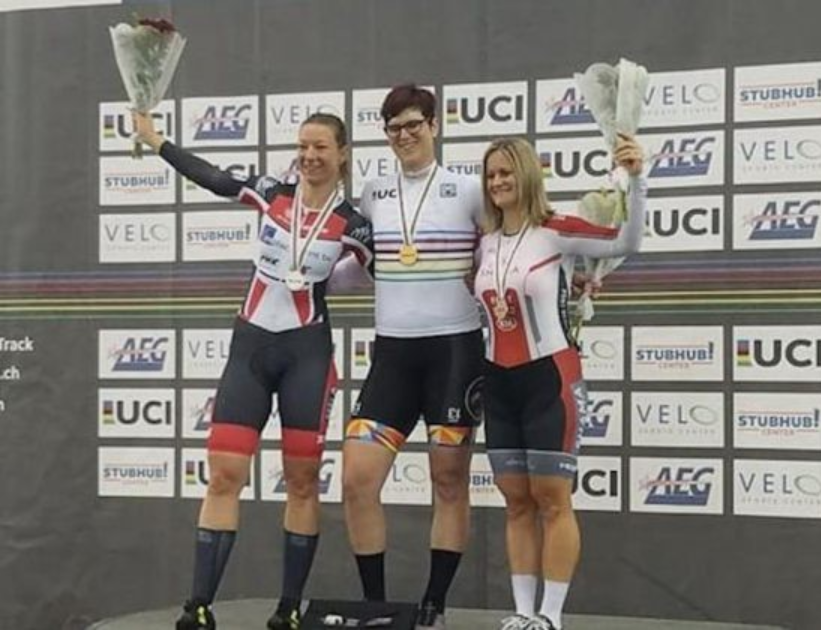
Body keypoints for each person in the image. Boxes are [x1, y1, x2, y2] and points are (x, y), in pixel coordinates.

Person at [133, 110, 373, 630]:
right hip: (251, 350)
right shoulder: (271, 193)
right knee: (224, 475)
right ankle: (198, 606)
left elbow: (390, 272)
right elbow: (212, 177)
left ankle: (288, 609)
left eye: (321, 147)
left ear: (342, 154)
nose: (310, 156)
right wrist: (157, 142)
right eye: (303, 146)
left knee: (302, 482)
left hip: (307, 355)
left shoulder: (353, 224)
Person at [474, 134, 646, 630]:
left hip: (549, 376)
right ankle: (522, 612)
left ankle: (551, 616)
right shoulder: (485, 242)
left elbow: (626, 242)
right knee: (515, 501)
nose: (498, 182)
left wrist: (637, 181)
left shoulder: (556, 231)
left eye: (506, 172)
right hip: (498, 381)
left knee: (552, 499)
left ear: (527, 174)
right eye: (491, 175)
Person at [341, 84, 483, 630]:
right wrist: (310, 275)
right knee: (357, 479)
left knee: (448, 481)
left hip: (454, 353)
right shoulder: (374, 193)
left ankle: (433, 604)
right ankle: (376, 607)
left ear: (434, 125)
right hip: (393, 355)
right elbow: (361, 268)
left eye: (413, 125)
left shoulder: (468, 190)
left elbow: (504, 251)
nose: (404, 136)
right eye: (394, 128)